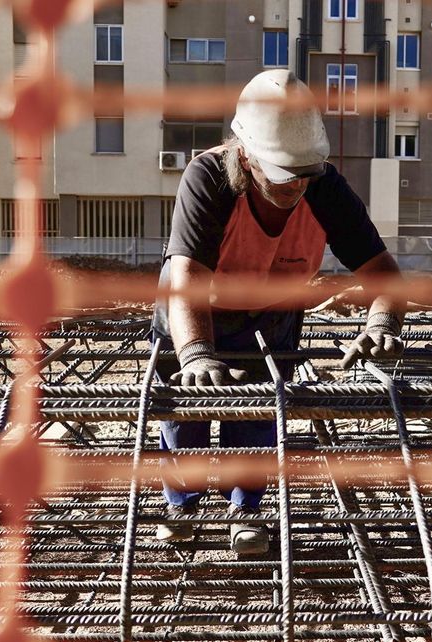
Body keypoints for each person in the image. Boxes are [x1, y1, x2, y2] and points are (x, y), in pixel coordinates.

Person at [151, 70, 405, 555]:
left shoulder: (323, 186)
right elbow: (186, 275)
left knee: (259, 414)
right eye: (283, 173)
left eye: (303, 173)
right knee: (185, 416)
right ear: (247, 155)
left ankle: (246, 511)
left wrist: (382, 322)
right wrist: (197, 353)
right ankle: (181, 509)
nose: (295, 185)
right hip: (195, 311)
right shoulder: (209, 177)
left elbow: (383, 273)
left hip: (271, 315)